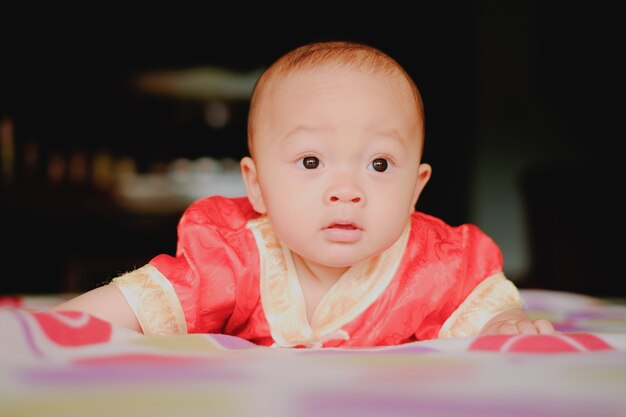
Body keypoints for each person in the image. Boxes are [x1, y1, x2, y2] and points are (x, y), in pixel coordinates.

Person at [52, 40, 555, 347]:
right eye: (311, 162)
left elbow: (488, 306)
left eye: (379, 164)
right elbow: (133, 305)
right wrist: (49, 330)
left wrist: (507, 323)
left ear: (415, 188)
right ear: (257, 185)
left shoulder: (433, 262)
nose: (346, 191)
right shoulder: (235, 256)